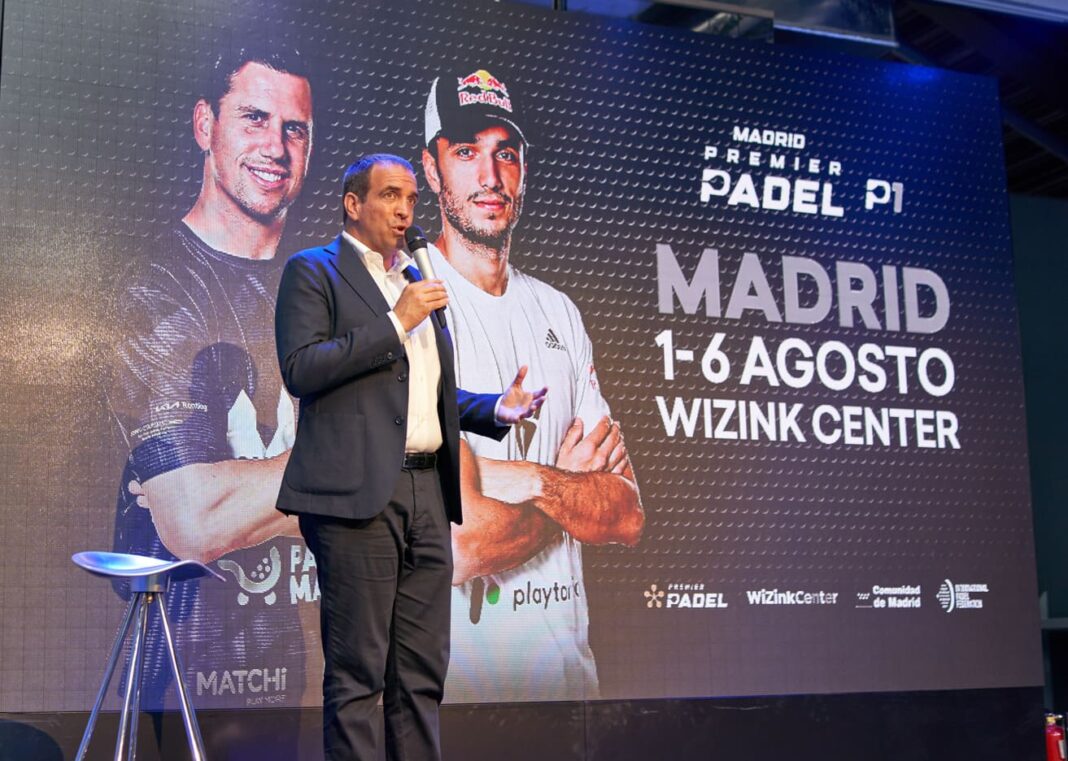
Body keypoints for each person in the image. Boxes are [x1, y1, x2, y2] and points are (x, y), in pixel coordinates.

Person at [274, 153, 544, 761]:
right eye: (390, 196)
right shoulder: (314, 270)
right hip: (357, 498)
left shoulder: (412, 281)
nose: (404, 211)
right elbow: (302, 368)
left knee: (420, 675)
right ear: (353, 204)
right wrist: (397, 321)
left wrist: (495, 409)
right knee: (358, 674)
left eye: (412, 200)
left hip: (428, 494)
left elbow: (424, 391)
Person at [420, 68, 645, 703]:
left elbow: (627, 514)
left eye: (506, 154)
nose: (490, 176)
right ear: (431, 170)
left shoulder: (558, 313)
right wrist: (567, 491)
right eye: (467, 152)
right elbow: (457, 544)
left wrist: (518, 480)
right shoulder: (401, 304)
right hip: (451, 708)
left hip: (570, 696)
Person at [109, 41, 314, 709]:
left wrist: (254, 495)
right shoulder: (156, 289)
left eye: (294, 129)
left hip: (312, 686)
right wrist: (355, 476)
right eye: (254, 118)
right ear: (205, 125)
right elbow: (195, 519)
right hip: (185, 691)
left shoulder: (323, 289)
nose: (276, 147)